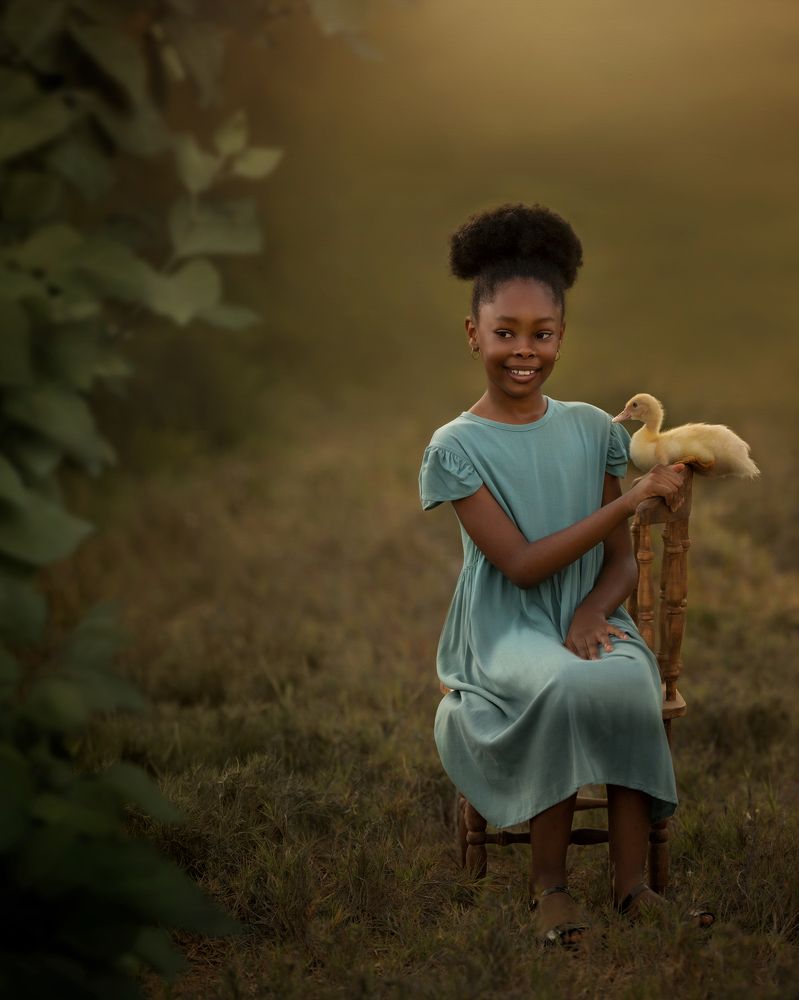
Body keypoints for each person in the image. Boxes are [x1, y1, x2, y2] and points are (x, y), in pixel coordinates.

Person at [418, 203, 709, 947]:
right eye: (504, 333)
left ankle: (631, 885)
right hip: (502, 629)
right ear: (472, 334)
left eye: (540, 334)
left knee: (619, 677)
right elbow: (517, 566)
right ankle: (548, 887)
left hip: (586, 614)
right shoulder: (454, 446)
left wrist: (591, 615)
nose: (524, 351)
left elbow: (617, 565)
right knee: (560, 682)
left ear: (561, 336)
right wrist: (634, 501)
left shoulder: (588, 429)